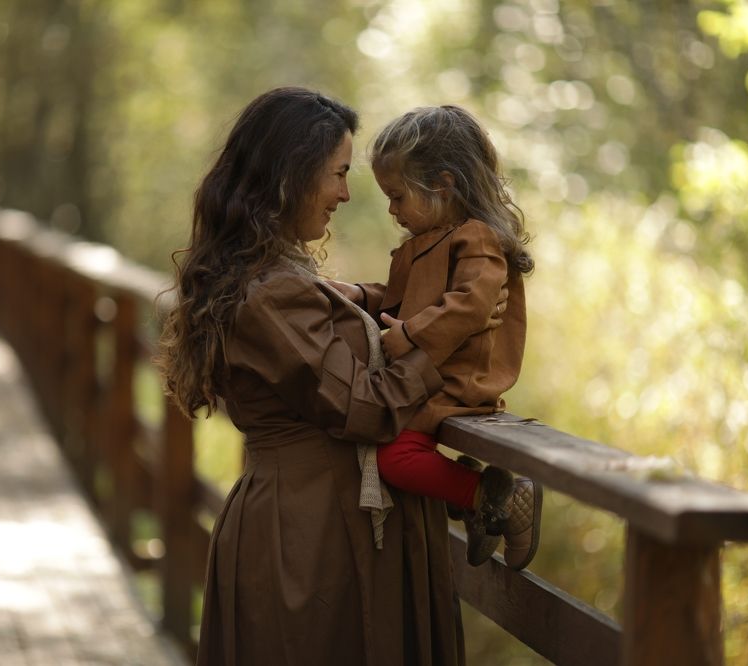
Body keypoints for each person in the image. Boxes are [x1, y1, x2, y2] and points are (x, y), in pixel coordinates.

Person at [159, 87, 506, 666]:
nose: (346, 194)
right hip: (309, 541)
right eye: (337, 174)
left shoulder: (276, 278)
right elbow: (366, 406)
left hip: (323, 527)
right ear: (288, 177)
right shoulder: (271, 292)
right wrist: (451, 339)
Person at [328, 105, 541, 570]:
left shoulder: (476, 239)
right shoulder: (423, 243)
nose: (392, 209)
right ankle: (470, 499)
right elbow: (413, 299)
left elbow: (471, 303)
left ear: (442, 186)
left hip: (457, 378)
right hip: (429, 375)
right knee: (389, 448)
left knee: (395, 458)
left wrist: (412, 336)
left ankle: (488, 495)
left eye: (398, 196)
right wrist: (364, 294)